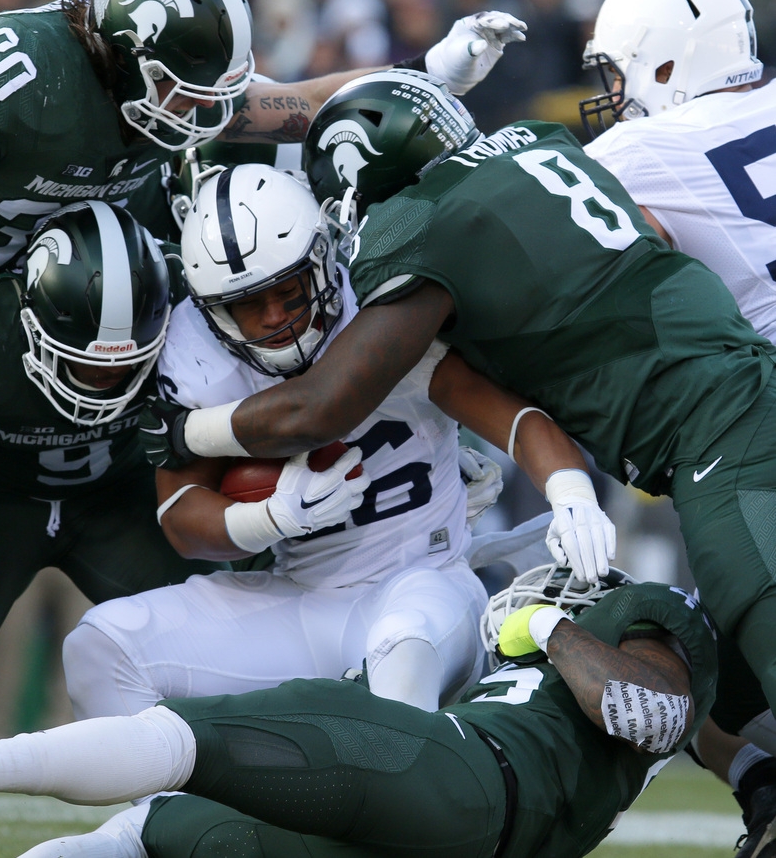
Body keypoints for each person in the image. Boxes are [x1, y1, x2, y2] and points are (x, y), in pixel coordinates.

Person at [136, 67, 776, 778]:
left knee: (761, 632)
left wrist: (182, 433)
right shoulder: (540, 143)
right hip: (741, 390)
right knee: (732, 688)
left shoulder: (421, 221)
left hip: (719, 433)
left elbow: (320, 408)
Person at [42, 163, 609, 856]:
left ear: (321, 260)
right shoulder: (194, 354)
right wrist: (264, 520)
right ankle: (176, 829)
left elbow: (514, 417)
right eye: (251, 306)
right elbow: (180, 515)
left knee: (398, 674)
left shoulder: (374, 304)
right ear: (212, 310)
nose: (277, 317)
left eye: (288, 291)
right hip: (300, 591)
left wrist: (570, 491)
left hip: (418, 580)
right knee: (104, 646)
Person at [0, 0, 528, 426]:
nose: (199, 113)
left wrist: (428, 71)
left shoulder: (162, 90)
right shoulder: (30, 72)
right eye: (184, 92)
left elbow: (293, 102)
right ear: (128, 51)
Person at [0, 563, 718, 858]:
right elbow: (720, 740)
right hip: (444, 816)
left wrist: (547, 623)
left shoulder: (651, 617)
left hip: (469, 779)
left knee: (195, 735)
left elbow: (648, 714)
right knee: (148, 838)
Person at [0, 200, 226, 745]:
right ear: (30, 315)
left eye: (127, 361)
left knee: (228, 668)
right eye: (86, 359)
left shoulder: (190, 308)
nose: (105, 377)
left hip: (121, 499)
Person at [578, 0, 776, 853]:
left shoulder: (635, 153)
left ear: (661, 67)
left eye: (614, 75)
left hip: (754, 438)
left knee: (681, 667)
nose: (609, 99)